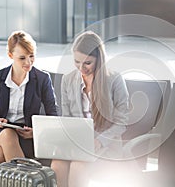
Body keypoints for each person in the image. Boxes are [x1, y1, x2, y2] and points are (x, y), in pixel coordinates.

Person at [50, 31, 129, 187]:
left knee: (78, 166)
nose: (81, 67)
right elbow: (66, 118)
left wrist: (99, 141)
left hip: (105, 145)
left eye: (87, 63)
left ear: (99, 60)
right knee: (57, 165)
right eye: (77, 62)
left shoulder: (114, 79)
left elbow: (122, 122)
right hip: (76, 143)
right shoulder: (68, 80)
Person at [0, 30, 58, 163]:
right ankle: (27, 181)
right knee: (8, 134)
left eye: (31, 56)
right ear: (10, 55)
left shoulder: (42, 79)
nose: (28, 62)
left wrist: (35, 132)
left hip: (26, 136)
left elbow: (53, 114)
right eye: (22, 58)